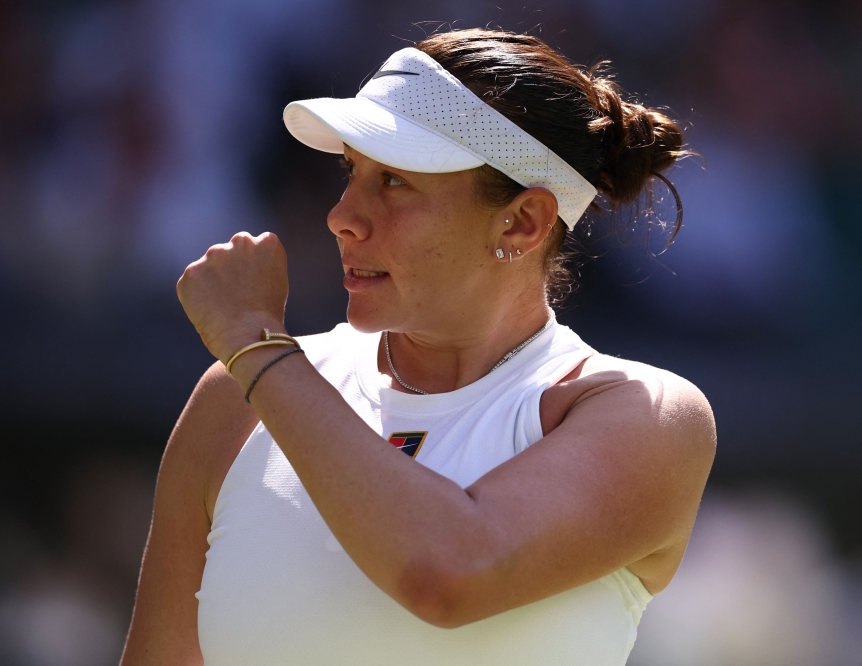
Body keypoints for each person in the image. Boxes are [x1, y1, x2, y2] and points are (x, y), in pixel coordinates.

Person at [120, 28, 716, 666]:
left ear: (522, 221)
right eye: (352, 171)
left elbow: (448, 574)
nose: (343, 214)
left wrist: (257, 347)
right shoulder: (234, 397)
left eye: (396, 181)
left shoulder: (649, 415)